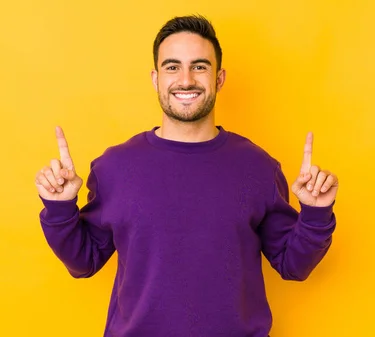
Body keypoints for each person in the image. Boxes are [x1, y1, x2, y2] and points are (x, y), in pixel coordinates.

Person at [34, 14, 338, 337]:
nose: (186, 80)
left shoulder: (259, 167)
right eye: (172, 67)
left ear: (219, 79)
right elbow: (84, 261)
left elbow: (293, 265)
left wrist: (316, 214)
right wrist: (60, 209)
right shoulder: (115, 167)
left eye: (199, 66)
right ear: (155, 79)